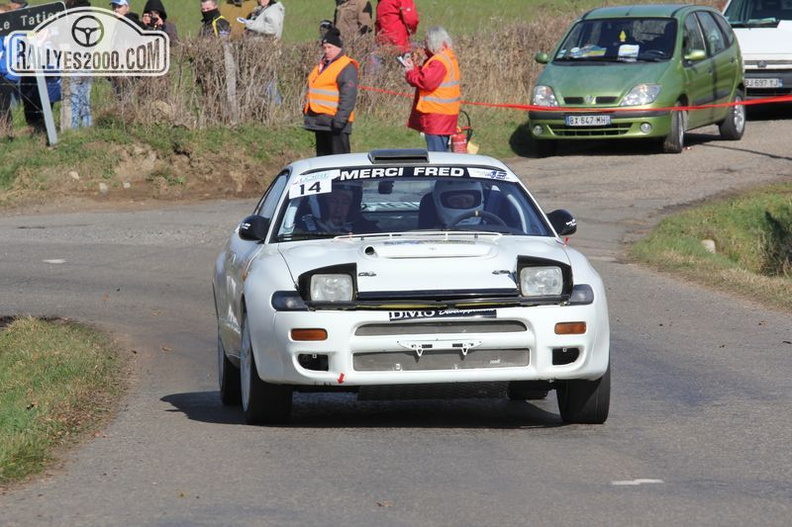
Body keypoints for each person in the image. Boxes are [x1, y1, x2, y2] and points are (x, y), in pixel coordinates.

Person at [402, 26, 460, 152]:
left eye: (426, 43)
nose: (424, 46)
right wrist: (415, 67)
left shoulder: (438, 61)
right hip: (445, 115)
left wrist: (410, 72)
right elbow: (426, 76)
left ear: (433, 43)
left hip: (437, 117)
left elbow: (425, 82)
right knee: (443, 154)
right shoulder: (447, 57)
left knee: (437, 156)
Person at [303, 27, 359, 156]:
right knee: (323, 163)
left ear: (338, 48)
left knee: (340, 164)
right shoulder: (323, 65)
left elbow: (348, 97)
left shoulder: (346, 66)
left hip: (336, 124)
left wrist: (339, 121)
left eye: (330, 47)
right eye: (324, 47)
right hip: (320, 123)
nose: (326, 51)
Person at [296, 182, 377, 234]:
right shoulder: (299, 230)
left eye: (345, 202)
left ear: (353, 205)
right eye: (333, 201)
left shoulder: (365, 229)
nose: (339, 209)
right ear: (322, 203)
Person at [0, 7, 20, 139]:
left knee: (3, 105)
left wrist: (2, 70)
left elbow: (11, 55)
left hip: (7, 74)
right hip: (3, 71)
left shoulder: (14, 33)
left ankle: (8, 133)